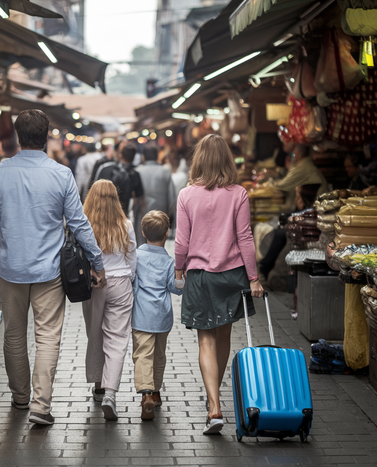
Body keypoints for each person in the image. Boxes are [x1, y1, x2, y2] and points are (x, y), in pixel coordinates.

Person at [0, 109, 105, 426]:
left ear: (16, 135)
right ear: (46, 136)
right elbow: (79, 225)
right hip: (50, 271)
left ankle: (20, 397)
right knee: (48, 338)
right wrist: (97, 262)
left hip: (10, 269)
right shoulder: (61, 174)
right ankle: (41, 406)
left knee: (13, 336)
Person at [174, 134, 264, 435]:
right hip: (232, 275)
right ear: (227, 159)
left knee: (205, 340)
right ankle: (217, 395)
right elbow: (245, 238)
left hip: (199, 276)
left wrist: (178, 268)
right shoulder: (238, 193)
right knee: (223, 334)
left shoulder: (186, 195)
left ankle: (214, 406)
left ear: (197, 160)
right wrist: (253, 278)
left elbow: (182, 241)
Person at [81, 179, 137, 421]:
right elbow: (132, 257)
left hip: (93, 285)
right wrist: (130, 280)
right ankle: (110, 394)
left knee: (95, 334)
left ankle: (98, 386)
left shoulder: (84, 224)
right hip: (121, 283)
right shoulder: (126, 224)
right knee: (117, 340)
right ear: (116, 199)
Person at [131, 210, 183, 420]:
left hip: (141, 315)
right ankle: (156, 391)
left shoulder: (136, 256)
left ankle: (146, 394)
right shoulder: (169, 262)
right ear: (167, 233)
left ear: (143, 232)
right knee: (159, 356)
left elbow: (132, 284)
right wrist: (182, 277)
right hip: (162, 316)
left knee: (143, 354)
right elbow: (176, 288)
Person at [135, 145, 176, 245]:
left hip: (142, 213)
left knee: (142, 244)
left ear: (143, 156)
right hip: (161, 215)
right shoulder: (165, 171)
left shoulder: (137, 171)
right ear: (157, 155)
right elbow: (172, 198)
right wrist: (170, 217)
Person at [274, 143, 329, 212]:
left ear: (298, 154)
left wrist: (270, 184)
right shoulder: (303, 165)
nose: (291, 156)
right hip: (317, 207)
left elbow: (282, 185)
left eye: (293, 154)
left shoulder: (304, 166)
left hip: (320, 209)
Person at [92, 143, 142, 216]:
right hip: (122, 214)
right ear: (134, 157)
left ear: (120, 155)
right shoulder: (135, 174)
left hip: (102, 211)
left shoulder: (105, 168)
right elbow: (137, 199)